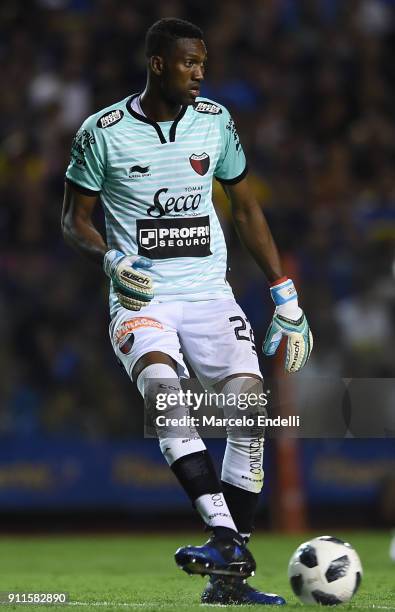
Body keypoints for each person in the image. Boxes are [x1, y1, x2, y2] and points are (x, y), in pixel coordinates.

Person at [62, 17, 312, 606]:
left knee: (249, 405)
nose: (200, 73)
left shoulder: (216, 123)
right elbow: (74, 220)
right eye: (189, 63)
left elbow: (247, 211)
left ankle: (227, 581)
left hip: (209, 295)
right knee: (162, 385)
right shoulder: (102, 133)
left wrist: (284, 292)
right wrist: (109, 258)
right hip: (142, 295)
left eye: (203, 62)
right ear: (157, 64)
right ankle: (226, 536)